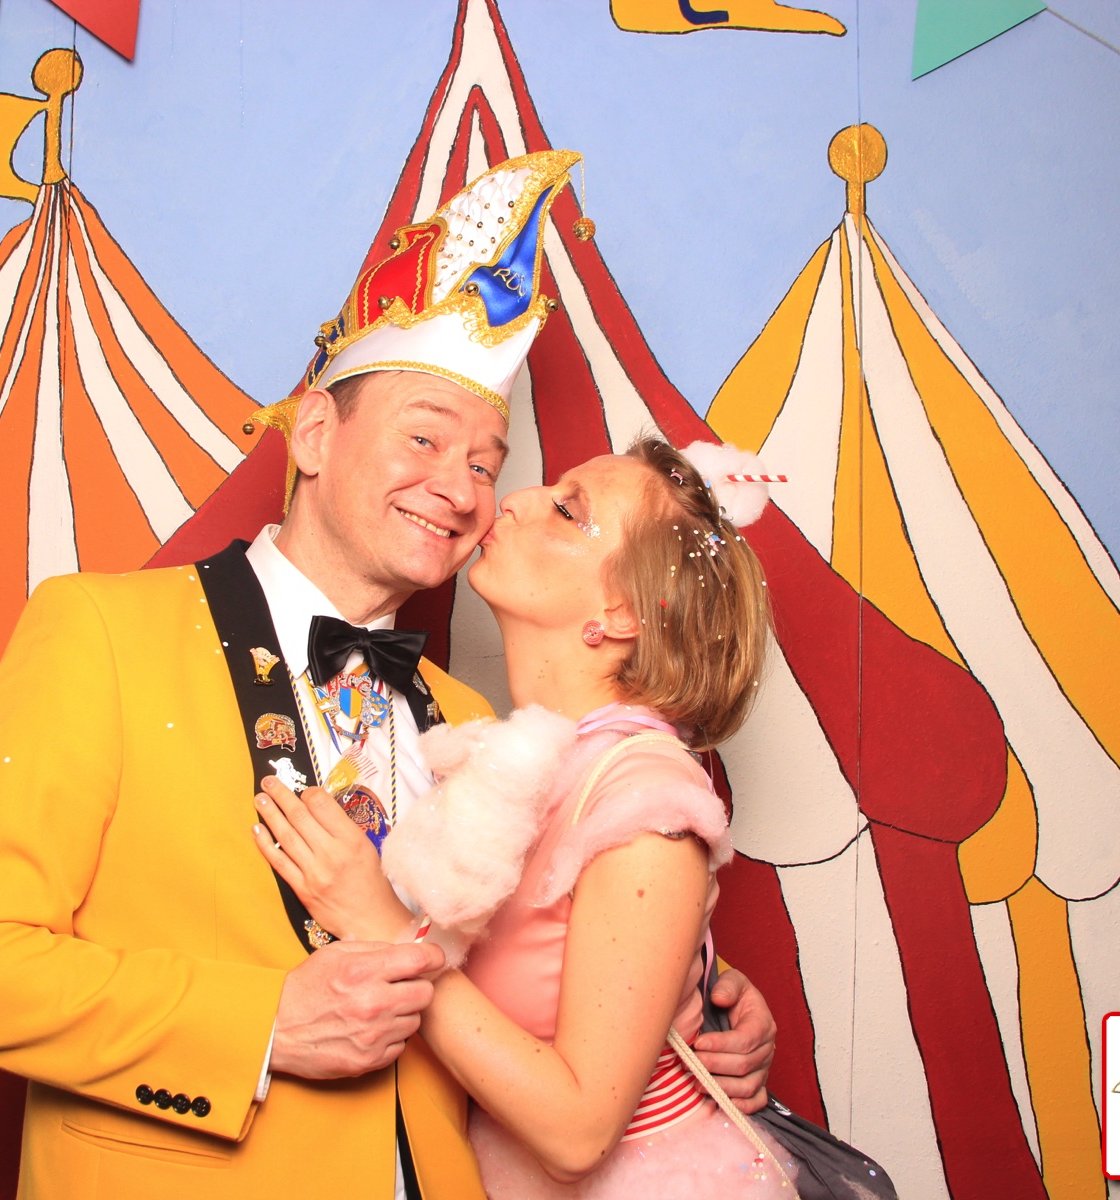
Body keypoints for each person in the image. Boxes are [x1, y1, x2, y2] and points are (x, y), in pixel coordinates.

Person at [0, 150, 776, 1200]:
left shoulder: (477, 724)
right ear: (314, 434)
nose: (462, 491)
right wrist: (261, 1026)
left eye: (485, 464)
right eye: (424, 439)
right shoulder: (103, 634)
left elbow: (565, 947)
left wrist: (696, 997)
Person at [253, 435, 800, 1197]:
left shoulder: (645, 800)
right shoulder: (525, 758)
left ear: (619, 613)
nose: (510, 500)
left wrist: (386, 928)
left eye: (568, 511)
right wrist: (706, 984)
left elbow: (579, 1135)